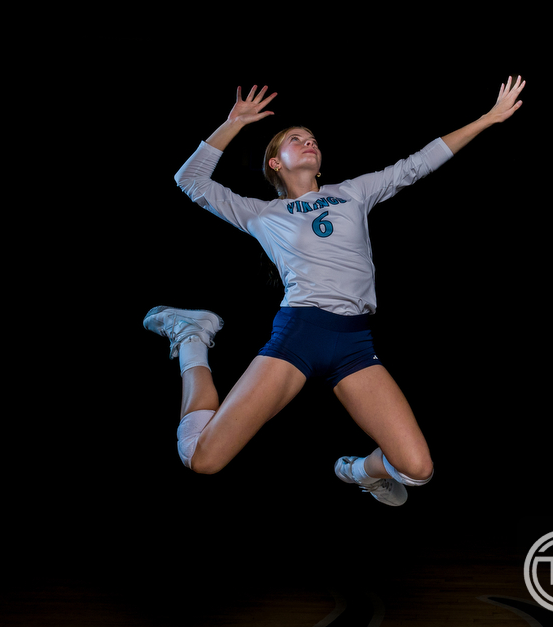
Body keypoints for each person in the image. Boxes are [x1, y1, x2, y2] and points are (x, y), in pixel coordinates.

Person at [144, 76, 526, 506]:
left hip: (354, 344)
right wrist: (233, 123)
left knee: (417, 470)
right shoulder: (262, 214)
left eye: (312, 139)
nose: (309, 142)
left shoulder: (353, 193)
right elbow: (189, 179)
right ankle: (192, 336)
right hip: (299, 335)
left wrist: (489, 118)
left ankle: (355, 471)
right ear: (275, 163)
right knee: (202, 459)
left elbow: (419, 163)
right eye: (295, 139)